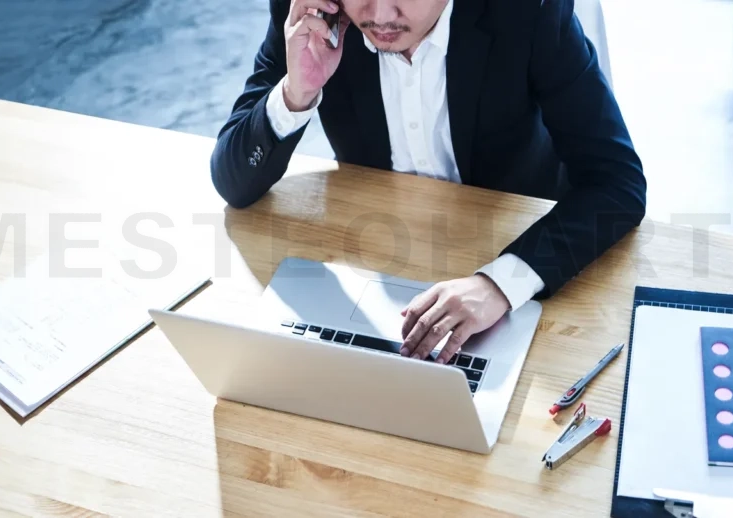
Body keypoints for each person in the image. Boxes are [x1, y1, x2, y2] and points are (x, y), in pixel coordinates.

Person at [209, 0, 647, 364]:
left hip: (522, 259)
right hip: (380, 267)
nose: (381, 15)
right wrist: (297, 91)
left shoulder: (531, 10)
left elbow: (617, 182)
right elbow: (233, 182)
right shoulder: (311, 13)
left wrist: (500, 284)